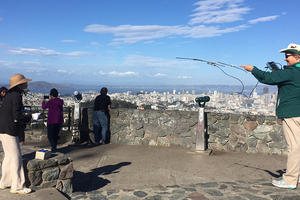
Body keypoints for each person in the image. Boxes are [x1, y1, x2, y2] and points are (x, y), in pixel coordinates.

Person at [241, 43, 300, 189]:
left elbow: (268, 78)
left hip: (293, 114)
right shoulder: (293, 72)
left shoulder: (291, 72)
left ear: (297, 57)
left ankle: (290, 180)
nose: (285, 59)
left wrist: (252, 69)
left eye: (288, 56)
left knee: (294, 147)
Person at [0, 73, 32, 194]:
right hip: (10, 130)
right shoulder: (17, 96)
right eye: (25, 81)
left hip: (2, 129)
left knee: (8, 156)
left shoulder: (9, 95)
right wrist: (29, 117)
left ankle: (5, 182)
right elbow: (16, 115)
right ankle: (17, 186)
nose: (27, 83)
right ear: (21, 84)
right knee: (16, 158)